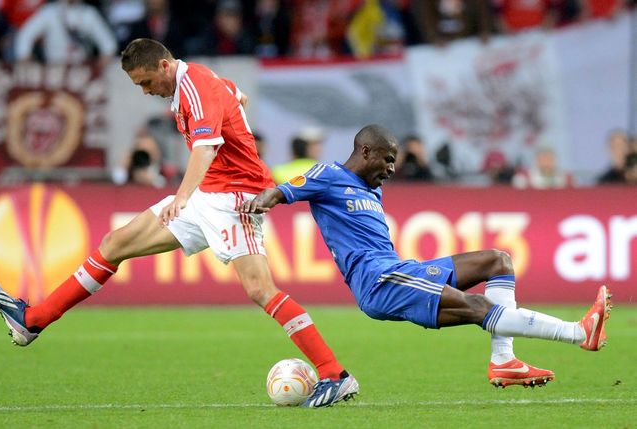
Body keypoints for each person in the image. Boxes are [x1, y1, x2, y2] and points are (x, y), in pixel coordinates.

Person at [0, 38, 357, 409]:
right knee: (116, 243)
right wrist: (227, 123)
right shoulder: (195, 83)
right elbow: (238, 96)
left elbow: (206, 147)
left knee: (261, 290)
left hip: (234, 197)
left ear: (165, 66)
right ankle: (33, 320)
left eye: (147, 82)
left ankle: (334, 373)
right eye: (139, 87)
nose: (147, 92)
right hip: (208, 195)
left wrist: (181, 196)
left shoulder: (195, 85)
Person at [240, 124, 611, 388]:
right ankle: (579, 334)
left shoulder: (373, 191)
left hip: (399, 270)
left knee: (498, 260)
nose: (390, 169)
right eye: (387, 160)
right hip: (379, 281)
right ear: (364, 152)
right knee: (478, 306)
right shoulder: (328, 175)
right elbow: (281, 192)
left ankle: (504, 361)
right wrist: (257, 202)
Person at [14, 0, 117, 65]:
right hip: (54, 69)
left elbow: (108, 44)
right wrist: (25, 57)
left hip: (81, 71)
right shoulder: (50, 12)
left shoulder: (88, 14)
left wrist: (99, 67)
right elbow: (25, 35)